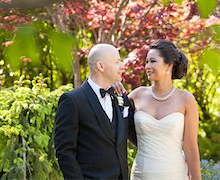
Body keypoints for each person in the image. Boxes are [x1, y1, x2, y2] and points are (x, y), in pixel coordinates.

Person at [54, 43, 137, 180]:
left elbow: (136, 134)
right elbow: (65, 152)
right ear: (101, 66)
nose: (122, 66)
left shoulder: (121, 96)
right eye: (117, 62)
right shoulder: (72, 101)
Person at [128, 40, 201, 180]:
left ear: (169, 65)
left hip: (175, 174)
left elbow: (191, 148)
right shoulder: (137, 95)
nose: (147, 66)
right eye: (146, 62)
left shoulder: (186, 99)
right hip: (140, 175)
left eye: (153, 61)